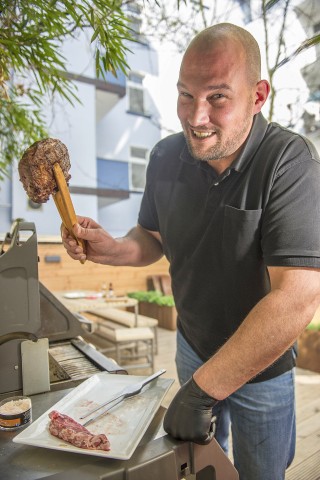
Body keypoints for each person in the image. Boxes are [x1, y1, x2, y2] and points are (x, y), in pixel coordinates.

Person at [62, 23, 320, 480]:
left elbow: (297, 298)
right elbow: (153, 239)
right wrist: (113, 249)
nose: (195, 116)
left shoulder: (289, 161)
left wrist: (201, 392)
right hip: (192, 347)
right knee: (203, 469)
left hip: (262, 369)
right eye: (186, 95)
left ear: (258, 96)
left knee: (263, 473)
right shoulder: (164, 156)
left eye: (218, 97)